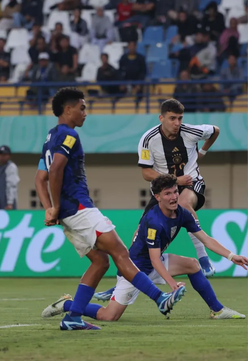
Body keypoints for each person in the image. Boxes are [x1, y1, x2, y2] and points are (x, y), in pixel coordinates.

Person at [34, 88, 186, 330]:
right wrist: (55, 206)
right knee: (121, 253)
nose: (86, 112)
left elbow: (39, 178)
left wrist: (50, 208)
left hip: (69, 214)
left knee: (100, 262)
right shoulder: (69, 135)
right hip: (79, 208)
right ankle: (160, 298)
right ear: (68, 109)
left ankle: (72, 317)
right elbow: (54, 171)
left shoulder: (49, 138)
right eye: (82, 108)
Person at [43, 174, 248, 321]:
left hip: (153, 264)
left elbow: (206, 239)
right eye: (167, 193)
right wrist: (172, 285)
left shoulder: (182, 213)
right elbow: (154, 259)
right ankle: (66, 304)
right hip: (134, 271)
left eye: (175, 192)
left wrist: (231, 256)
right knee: (109, 316)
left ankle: (218, 310)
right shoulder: (154, 221)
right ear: (157, 197)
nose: (174, 197)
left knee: (193, 265)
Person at [94, 99, 220, 301]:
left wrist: (202, 152)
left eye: (180, 118)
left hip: (191, 182)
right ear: (161, 118)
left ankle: (203, 258)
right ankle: (121, 285)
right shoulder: (148, 139)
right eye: (172, 118)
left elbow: (215, 130)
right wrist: (174, 180)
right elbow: (145, 173)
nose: (177, 123)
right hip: (163, 190)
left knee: (184, 204)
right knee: (139, 238)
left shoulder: (190, 132)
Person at [0, 145, 19, 210]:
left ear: (9, 156)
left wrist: (10, 203)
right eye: (1, 154)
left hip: (7, 204)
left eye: (5, 155)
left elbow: (12, 186)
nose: (2, 157)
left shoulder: (11, 167)